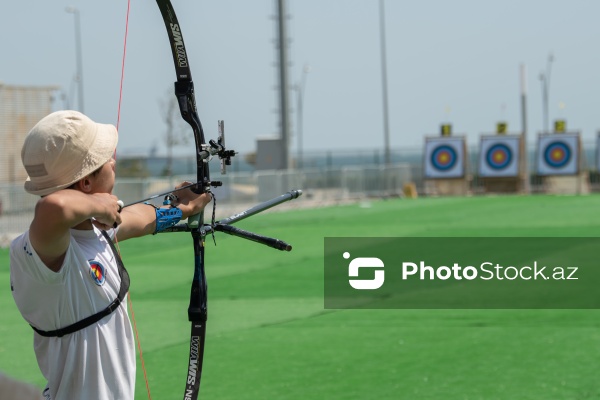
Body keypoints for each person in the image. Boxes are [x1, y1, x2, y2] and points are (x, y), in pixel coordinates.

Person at [9, 110, 212, 400]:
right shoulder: (37, 254)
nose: (113, 161)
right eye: (105, 160)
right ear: (87, 184)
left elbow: (137, 218)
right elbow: (52, 209)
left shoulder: (95, 230)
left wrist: (180, 208)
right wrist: (96, 206)